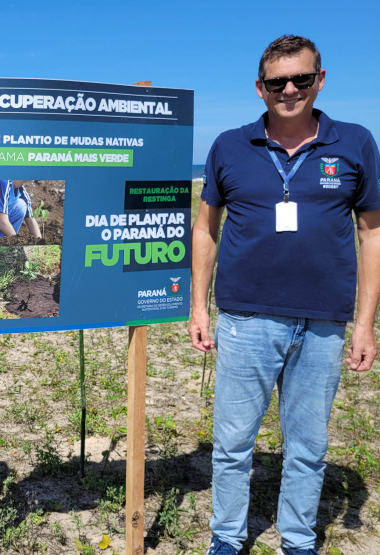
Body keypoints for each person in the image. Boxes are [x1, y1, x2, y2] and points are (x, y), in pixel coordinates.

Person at [188, 35, 380, 555]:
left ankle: (297, 540)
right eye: (277, 82)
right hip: (245, 318)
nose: (289, 90)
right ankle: (226, 538)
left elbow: (372, 234)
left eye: (301, 78)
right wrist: (198, 307)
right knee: (232, 445)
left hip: (322, 322)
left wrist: (365, 324)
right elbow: (205, 230)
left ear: (320, 80)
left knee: (308, 448)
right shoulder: (229, 145)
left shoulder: (355, 142)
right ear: (260, 88)